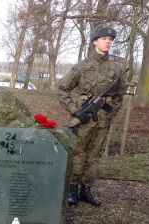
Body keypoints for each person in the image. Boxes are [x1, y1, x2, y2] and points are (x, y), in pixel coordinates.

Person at [57, 25, 127, 206]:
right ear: (95, 41)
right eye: (104, 39)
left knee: (95, 155)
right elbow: (63, 89)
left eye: (110, 40)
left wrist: (110, 113)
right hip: (83, 118)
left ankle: (86, 190)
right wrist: (75, 110)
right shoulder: (82, 66)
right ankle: (73, 190)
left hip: (103, 120)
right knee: (78, 153)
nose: (108, 42)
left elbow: (119, 96)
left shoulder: (116, 69)